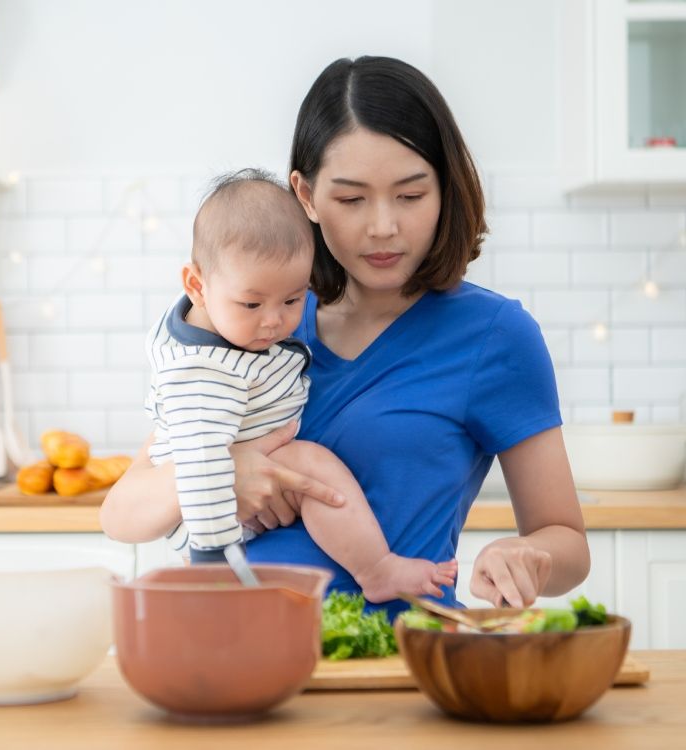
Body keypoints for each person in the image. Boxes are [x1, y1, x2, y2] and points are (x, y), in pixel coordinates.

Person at [101, 55, 590, 618]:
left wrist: (525, 554)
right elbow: (122, 514)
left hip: (393, 653)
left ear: (445, 189)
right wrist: (226, 472)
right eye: (352, 199)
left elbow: (567, 542)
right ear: (306, 195)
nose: (383, 226)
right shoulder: (260, 321)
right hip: (226, 646)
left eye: (410, 195)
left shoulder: (494, 336)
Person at [146, 168, 457, 602]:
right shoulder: (201, 372)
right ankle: (378, 570)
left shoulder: (226, 324)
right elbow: (199, 465)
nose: (274, 321)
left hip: (233, 501)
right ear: (197, 286)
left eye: (293, 299)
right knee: (311, 465)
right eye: (251, 304)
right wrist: (213, 559)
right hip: (209, 511)